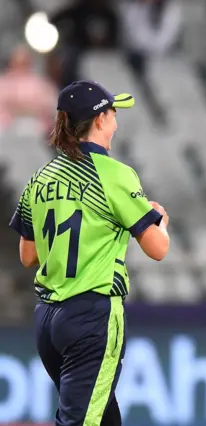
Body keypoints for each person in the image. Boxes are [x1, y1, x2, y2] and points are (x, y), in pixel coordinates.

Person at [8, 80, 171, 426]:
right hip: (91, 314)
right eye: (113, 111)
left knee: (103, 415)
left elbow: (27, 255)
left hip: (48, 320)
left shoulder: (41, 176)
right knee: (82, 419)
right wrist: (162, 223)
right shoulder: (115, 174)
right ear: (99, 120)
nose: (116, 118)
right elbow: (158, 249)